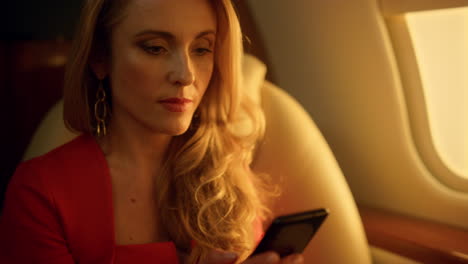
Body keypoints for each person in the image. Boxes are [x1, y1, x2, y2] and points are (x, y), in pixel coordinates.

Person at [0, 0, 305, 263]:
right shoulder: (42, 193)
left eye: (201, 49)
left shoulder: (226, 176)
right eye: (155, 48)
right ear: (100, 58)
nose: (185, 75)